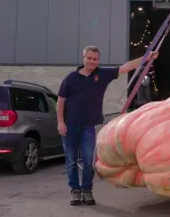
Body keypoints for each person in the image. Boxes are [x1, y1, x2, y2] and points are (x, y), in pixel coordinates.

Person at [56, 45, 158, 206]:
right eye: (89, 58)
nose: (92, 61)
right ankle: (75, 191)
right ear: (84, 58)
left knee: (89, 161)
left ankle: (87, 191)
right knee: (71, 160)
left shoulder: (102, 75)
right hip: (70, 126)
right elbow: (60, 101)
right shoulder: (71, 78)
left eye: (95, 59)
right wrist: (61, 122)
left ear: (98, 60)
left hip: (89, 127)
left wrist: (147, 57)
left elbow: (126, 67)